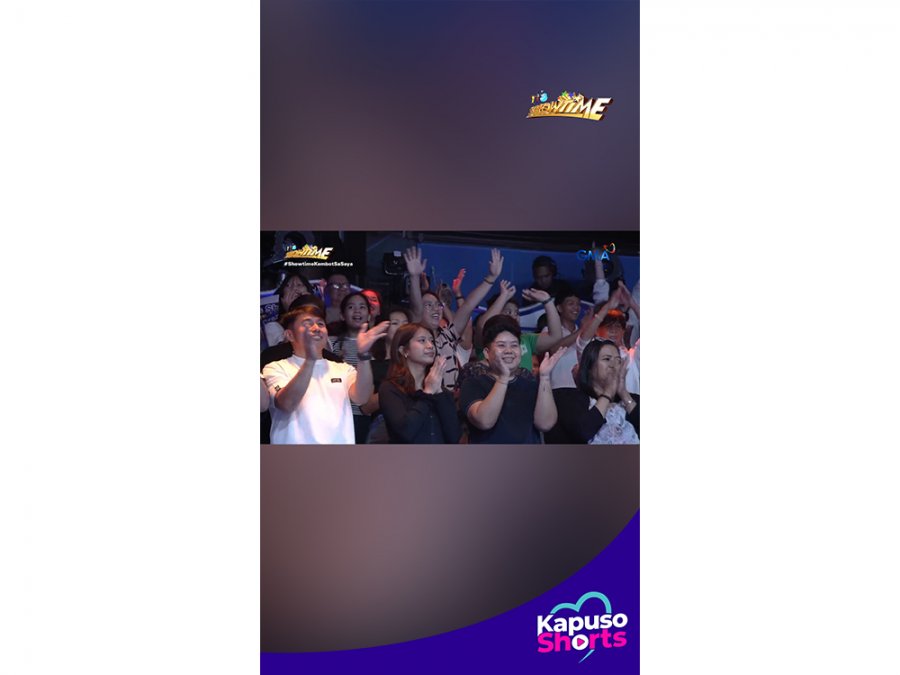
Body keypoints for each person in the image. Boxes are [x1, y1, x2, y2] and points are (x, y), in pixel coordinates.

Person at [262, 303, 388, 444]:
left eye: (320, 324)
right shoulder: (276, 367)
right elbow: (286, 404)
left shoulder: (342, 368)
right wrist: (310, 360)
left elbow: (362, 398)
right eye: (307, 324)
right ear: (290, 335)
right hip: (293, 454)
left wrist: (363, 355)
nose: (316, 328)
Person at [404, 246, 504, 391]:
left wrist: (491, 278)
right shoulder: (414, 338)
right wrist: (414, 278)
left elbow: (468, 306)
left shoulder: (447, 336)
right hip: (424, 399)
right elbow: (416, 308)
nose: (435, 309)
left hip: (450, 400)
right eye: (428, 305)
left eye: (438, 305)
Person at [459, 315, 567, 444]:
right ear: (487, 353)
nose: (509, 351)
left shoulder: (529, 382)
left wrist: (544, 377)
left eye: (514, 345)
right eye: (501, 345)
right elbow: (484, 421)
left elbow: (546, 424)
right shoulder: (473, 383)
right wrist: (504, 377)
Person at [378, 323, 461, 444]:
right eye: (422, 340)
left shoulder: (440, 391)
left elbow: (454, 437)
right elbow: (405, 432)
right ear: (404, 350)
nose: (430, 346)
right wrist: (428, 392)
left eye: (431, 341)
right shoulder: (390, 388)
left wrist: (438, 392)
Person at [548, 339, 639, 444]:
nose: (613, 364)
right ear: (590, 367)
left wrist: (624, 393)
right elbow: (583, 432)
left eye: (618, 360)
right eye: (607, 359)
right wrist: (608, 393)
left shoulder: (632, 399)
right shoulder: (571, 399)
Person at [328, 292, 383, 442]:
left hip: (365, 415)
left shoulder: (378, 344)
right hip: (337, 413)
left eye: (362, 307)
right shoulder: (331, 343)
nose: (357, 311)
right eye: (351, 307)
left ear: (369, 315)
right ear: (342, 315)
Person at [473, 280, 563, 370]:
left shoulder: (526, 339)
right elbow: (483, 326)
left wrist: (547, 301)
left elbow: (555, 336)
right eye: (508, 312)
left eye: (516, 313)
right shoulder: (487, 339)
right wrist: (503, 297)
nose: (514, 316)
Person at [264, 272, 314, 347]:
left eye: (299, 285)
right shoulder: (273, 326)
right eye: (288, 285)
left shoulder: (318, 319)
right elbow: (285, 349)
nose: (294, 288)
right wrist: (289, 312)